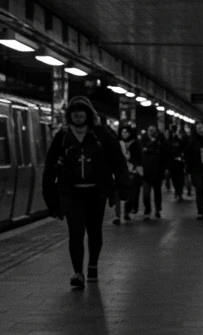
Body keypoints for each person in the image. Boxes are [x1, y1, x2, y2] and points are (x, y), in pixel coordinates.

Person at [42, 96, 128, 288]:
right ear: (69, 115)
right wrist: (49, 194)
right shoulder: (62, 136)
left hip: (96, 193)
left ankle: (93, 265)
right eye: (74, 112)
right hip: (71, 193)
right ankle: (78, 272)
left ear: (89, 114)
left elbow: (117, 160)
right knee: (76, 231)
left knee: (94, 230)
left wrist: (123, 186)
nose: (78, 115)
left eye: (82, 111)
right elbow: (50, 166)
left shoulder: (102, 135)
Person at [113, 122, 142, 224]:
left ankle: (127, 211)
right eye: (122, 132)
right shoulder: (117, 143)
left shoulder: (135, 143)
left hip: (131, 170)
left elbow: (139, 157)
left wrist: (135, 166)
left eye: (126, 132)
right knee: (118, 193)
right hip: (120, 171)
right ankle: (119, 214)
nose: (124, 134)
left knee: (130, 192)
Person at [140, 124, 169, 219]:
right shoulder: (143, 140)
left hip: (157, 170)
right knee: (146, 193)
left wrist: (165, 168)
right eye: (150, 130)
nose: (151, 132)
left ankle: (157, 209)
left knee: (157, 191)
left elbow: (165, 154)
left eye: (153, 130)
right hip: (146, 171)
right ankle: (147, 210)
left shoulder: (160, 140)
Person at [167, 125, 187, 201]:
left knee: (179, 178)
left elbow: (184, 148)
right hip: (173, 163)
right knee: (175, 178)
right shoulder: (170, 141)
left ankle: (179, 192)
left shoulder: (180, 140)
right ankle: (178, 191)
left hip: (179, 162)